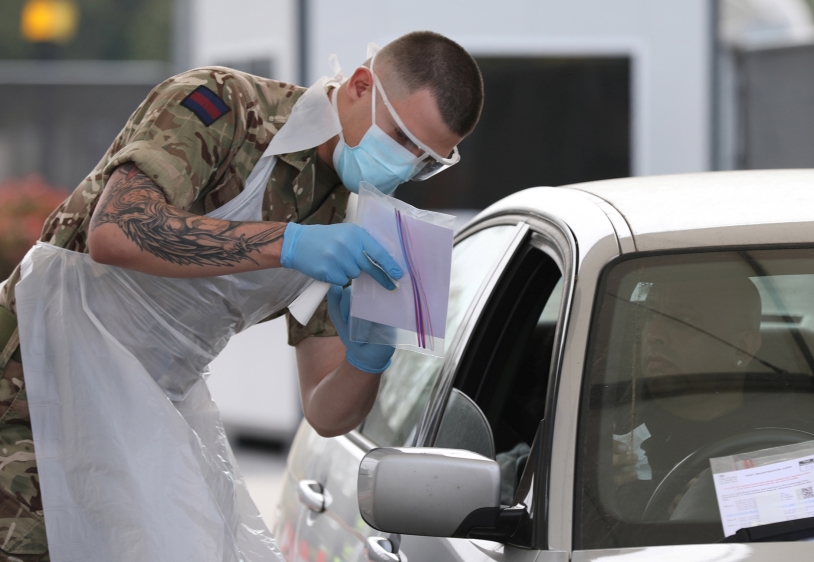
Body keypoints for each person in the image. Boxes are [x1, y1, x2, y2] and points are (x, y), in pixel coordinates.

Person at [0, 30, 484, 560]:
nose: (405, 167)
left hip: (148, 405)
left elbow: (325, 410)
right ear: (361, 86)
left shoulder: (352, 217)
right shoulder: (223, 105)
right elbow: (115, 232)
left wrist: (368, 361)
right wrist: (289, 242)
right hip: (36, 374)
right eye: (400, 140)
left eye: (426, 161)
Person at [609, 276, 764, 518]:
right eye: (649, 316)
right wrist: (593, 484)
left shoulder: (789, 439)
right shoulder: (599, 420)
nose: (654, 334)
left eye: (683, 320)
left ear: (742, 347)